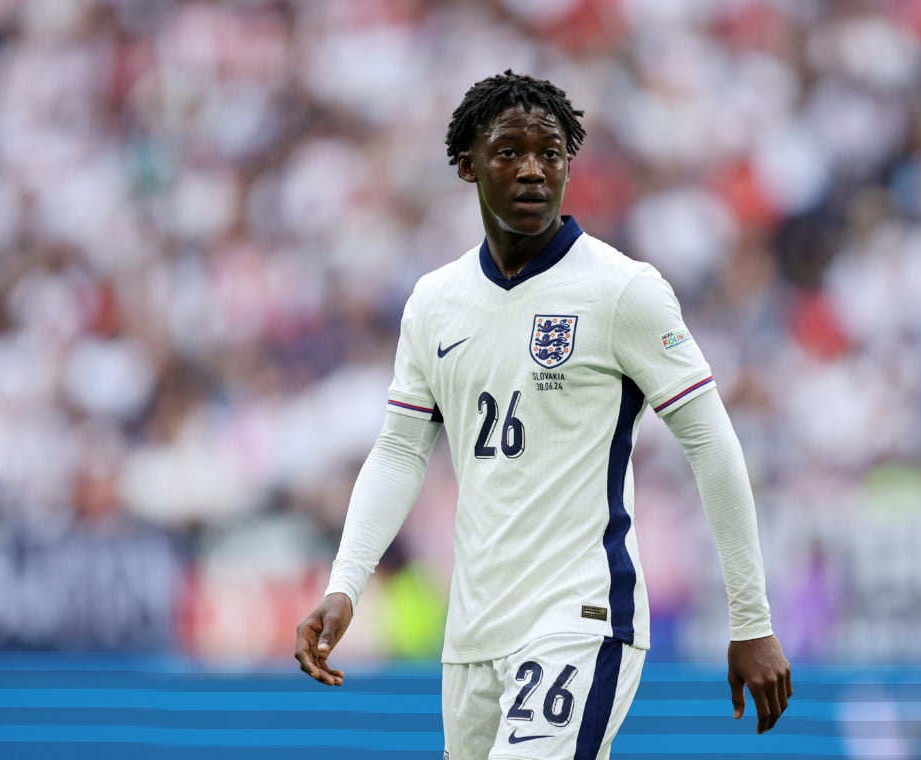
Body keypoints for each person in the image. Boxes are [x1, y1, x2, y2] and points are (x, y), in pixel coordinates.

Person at [295, 70, 791, 759]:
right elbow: (401, 451)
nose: (532, 169)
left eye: (550, 153)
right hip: (473, 632)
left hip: (581, 615)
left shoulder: (622, 291)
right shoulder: (434, 303)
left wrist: (752, 619)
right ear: (467, 165)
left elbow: (710, 441)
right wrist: (345, 583)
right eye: (508, 152)